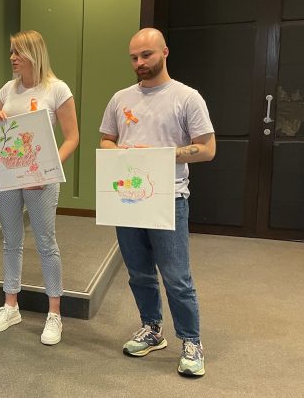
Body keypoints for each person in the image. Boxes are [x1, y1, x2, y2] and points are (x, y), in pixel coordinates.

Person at [99, 28, 215, 377]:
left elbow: (207, 149)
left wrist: (162, 155)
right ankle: (152, 329)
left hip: (170, 198)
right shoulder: (120, 99)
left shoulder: (186, 97)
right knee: (138, 272)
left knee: (176, 276)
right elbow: (106, 139)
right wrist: (119, 152)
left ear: (164, 52)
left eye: (146, 55)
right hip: (127, 198)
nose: (139, 62)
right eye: (134, 57)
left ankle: (191, 341)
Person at [0, 30, 79, 345]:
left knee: (45, 242)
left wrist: (48, 169)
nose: (12, 57)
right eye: (11, 51)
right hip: (6, 174)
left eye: (18, 52)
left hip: (41, 179)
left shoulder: (57, 89)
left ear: (34, 54)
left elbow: (72, 138)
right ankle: (11, 305)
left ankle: (54, 313)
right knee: (10, 240)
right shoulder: (7, 90)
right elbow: (2, 133)